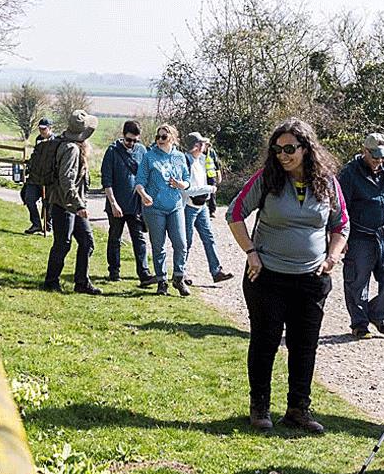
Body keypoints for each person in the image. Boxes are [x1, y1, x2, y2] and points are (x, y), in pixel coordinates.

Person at [227, 119, 349, 433]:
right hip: (267, 278)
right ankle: (260, 408)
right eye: (278, 149)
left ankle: (298, 410)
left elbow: (341, 225)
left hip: (311, 280)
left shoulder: (327, 182)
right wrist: (251, 252)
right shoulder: (266, 179)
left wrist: (332, 256)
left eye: (290, 148)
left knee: (304, 346)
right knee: (265, 343)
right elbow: (235, 214)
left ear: (307, 149)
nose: (283, 155)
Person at [338, 132, 384, 337]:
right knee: (357, 281)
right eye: (374, 155)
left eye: (382, 156)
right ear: (364, 151)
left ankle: (377, 314)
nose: (378, 160)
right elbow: (340, 207)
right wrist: (342, 237)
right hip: (359, 235)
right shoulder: (349, 174)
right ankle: (359, 323)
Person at [42, 111, 103, 295]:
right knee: (63, 243)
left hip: (71, 204)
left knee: (87, 242)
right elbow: (66, 180)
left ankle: (81, 282)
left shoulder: (70, 146)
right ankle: (51, 281)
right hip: (64, 205)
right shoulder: (71, 149)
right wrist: (79, 205)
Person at [135, 124, 192, 296]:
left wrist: (182, 184)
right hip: (154, 208)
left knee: (181, 244)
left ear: (172, 138)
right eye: (157, 137)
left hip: (175, 206)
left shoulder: (180, 157)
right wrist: (143, 194)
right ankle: (162, 281)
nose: (159, 140)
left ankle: (179, 278)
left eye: (163, 137)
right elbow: (139, 181)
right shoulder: (149, 157)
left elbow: (187, 180)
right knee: (159, 246)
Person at [100, 120, 156, 285]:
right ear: (123, 136)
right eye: (128, 140)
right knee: (115, 238)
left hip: (135, 204)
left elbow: (146, 176)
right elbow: (106, 181)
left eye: (135, 141)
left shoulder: (142, 151)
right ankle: (114, 271)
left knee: (139, 239)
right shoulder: (112, 151)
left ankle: (144, 273)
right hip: (116, 204)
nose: (131, 144)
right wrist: (113, 203)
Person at [181, 132, 235, 285]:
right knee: (187, 241)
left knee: (209, 238)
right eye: (202, 143)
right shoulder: (186, 161)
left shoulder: (203, 160)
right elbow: (189, 189)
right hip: (188, 207)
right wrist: (210, 189)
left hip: (201, 206)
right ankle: (181, 273)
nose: (205, 146)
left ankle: (216, 271)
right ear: (196, 145)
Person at [21, 119, 55, 235]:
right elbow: (36, 157)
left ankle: (48, 227)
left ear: (50, 128)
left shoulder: (55, 142)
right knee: (29, 198)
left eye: (44, 128)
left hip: (49, 179)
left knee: (48, 204)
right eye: (40, 128)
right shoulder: (38, 140)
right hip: (35, 177)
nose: (41, 130)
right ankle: (36, 224)